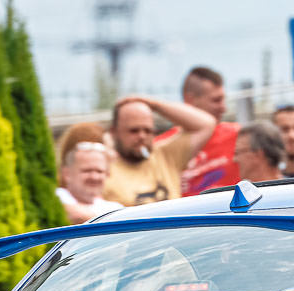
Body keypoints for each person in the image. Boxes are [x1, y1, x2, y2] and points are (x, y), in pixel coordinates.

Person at [102, 94, 216, 206]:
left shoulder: (165, 156)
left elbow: (206, 123)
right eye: (134, 131)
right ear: (114, 132)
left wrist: (154, 105)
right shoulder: (103, 170)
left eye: (148, 130)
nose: (142, 136)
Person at [176, 67, 241, 196]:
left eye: (223, 100)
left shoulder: (239, 136)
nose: (223, 108)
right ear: (190, 100)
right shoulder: (163, 146)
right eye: (216, 100)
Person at [56, 141, 122, 224]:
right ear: (67, 174)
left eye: (99, 171)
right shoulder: (56, 197)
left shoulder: (114, 208)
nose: (94, 177)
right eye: (87, 171)